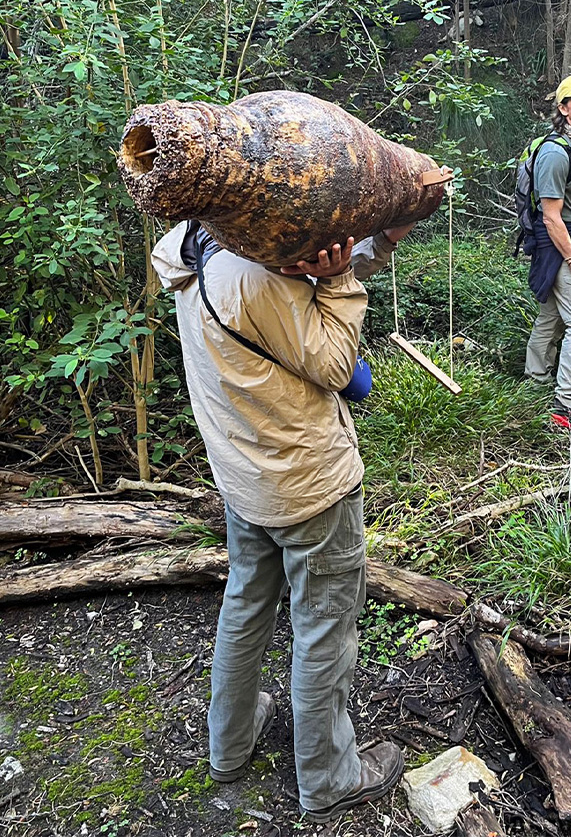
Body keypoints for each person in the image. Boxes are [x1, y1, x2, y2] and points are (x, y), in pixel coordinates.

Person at [151, 222, 406, 822]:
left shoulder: (190, 246)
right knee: (323, 626)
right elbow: (337, 361)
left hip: (245, 478)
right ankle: (328, 777)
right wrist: (341, 279)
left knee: (245, 605)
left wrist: (378, 243)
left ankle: (230, 745)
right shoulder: (252, 275)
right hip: (308, 485)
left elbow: (297, 284)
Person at [523, 74, 571, 432]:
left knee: (553, 316)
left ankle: (534, 382)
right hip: (557, 245)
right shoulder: (556, 153)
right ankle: (568, 405)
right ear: (563, 107)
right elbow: (552, 218)